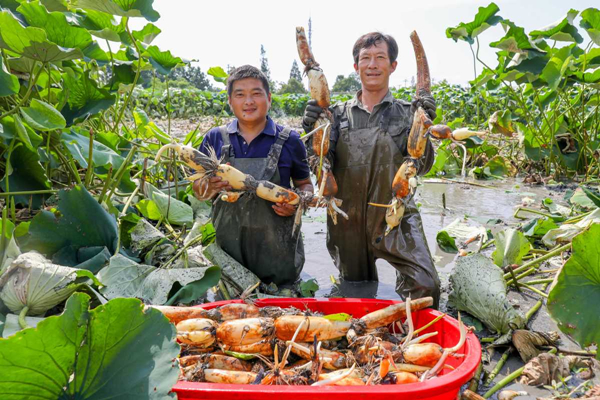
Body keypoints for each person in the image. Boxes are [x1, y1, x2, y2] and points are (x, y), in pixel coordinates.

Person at [302, 32, 441, 307]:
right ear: (356, 67)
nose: (372, 64)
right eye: (365, 58)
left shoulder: (407, 113)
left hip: (394, 212)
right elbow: (318, 165)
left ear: (393, 66)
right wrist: (313, 130)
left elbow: (421, 167)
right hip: (346, 216)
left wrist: (423, 128)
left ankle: (411, 333)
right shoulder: (336, 115)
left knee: (426, 287)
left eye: (380, 57)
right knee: (355, 290)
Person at [194, 65, 313, 287]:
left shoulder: (290, 140)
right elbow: (198, 191)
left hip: (280, 258)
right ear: (230, 101)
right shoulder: (214, 139)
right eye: (240, 95)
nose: (249, 101)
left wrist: (297, 203)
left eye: (256, 93)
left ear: (268, 98)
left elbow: (306, 185)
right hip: (229, 261)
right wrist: (210, 187)